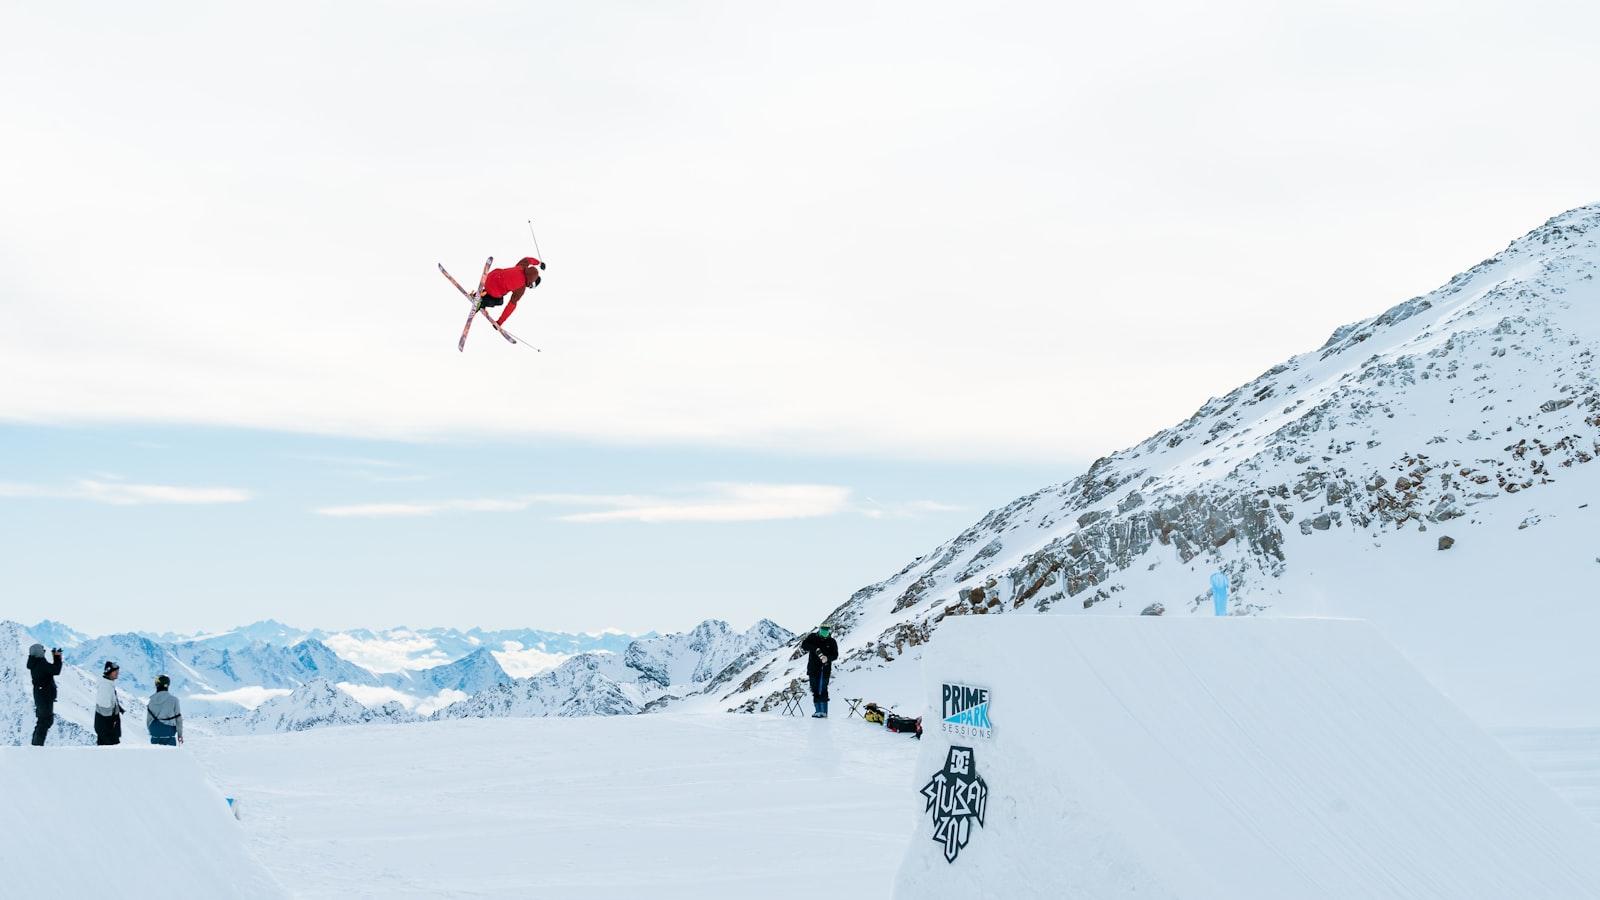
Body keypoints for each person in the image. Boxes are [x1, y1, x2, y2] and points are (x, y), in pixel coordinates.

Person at [478, 257, 543, 327]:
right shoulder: (521, 288)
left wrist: (539, 263)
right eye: (531, 286)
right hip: (494, 290)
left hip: (489, 277)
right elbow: (511, 306)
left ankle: (483, 294)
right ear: (531, 282)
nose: (529, 287)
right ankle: (482, 301)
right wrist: (500, 322)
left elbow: (528, 260)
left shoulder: (522, 266)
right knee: (499, 301)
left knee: (498, 284)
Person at [26, 643, 63, 746]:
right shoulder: (41, 663)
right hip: (45, 696)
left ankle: (35, 744)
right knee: (45, 721)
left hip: (40, 695)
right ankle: (37, 746)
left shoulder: (35, 663)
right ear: (38, 652)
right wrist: (57, 657)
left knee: (42, 721)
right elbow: (56, 670)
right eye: (43, 651)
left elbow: (51, 670)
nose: (44, 652)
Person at [800, 623, 839, 718]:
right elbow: (804, 645)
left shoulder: (832, 641)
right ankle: (818, 711)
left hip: (825, 670)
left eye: (827, 629)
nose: (825, 630)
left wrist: (827, 658)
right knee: (815, 690)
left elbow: (835, 655)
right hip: (813, 669)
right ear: (820, 628)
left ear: (829, 630)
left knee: (823, 689)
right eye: (823, 628)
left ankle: (824, 712)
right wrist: (815, 648)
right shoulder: (813, 637)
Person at [146, 675, 183, 746]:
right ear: (167, 685)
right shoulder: (174, 700)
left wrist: (153, 731)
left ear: (157, 685)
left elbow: (148, 720)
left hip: (154, 733)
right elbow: (178, 719)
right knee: (170, 756)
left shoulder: (151, 701)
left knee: (154, 756)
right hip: (168, 733)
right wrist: (180, 734)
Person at [94, 661, 124, 746]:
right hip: (107, 728)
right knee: (109, 750)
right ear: (109, 671)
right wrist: (113, 719)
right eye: (115, 671)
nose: (117, 673)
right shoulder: (105, 686)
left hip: (106, 727)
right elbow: (105, 708)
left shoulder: (108, 683)